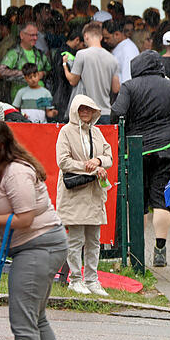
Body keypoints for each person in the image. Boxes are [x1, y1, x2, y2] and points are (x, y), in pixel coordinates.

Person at [0, 119, 68, 340]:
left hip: (38, 246)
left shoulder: (16, 172)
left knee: (23, 320)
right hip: (36, 246)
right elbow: (6, 213)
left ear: (0, 144)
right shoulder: (1, 169)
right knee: (36, 318)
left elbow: (24, 218)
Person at [111, 50, 170, 267]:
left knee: (139, 203)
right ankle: (160, 248)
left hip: (136, 152)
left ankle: (137, 249)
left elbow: (117, 113)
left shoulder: (129, 86)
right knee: (161, 201)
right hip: (165, 149)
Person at [55, 95, 112, 297]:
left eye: (89, 109)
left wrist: (97, 161)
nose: (85, 113)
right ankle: (75, 279)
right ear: (74, 110)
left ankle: (92, 279)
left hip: (94, 193)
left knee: (94, 240)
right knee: (76, 239)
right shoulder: (66, 132)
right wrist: (88, 168)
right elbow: (63, 162)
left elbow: (109, 157)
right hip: (75, 193)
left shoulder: (97, 133)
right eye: (82, 109)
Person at [63, 22, 120, 123]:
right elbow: (116, 89)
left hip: (86, 113)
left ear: (85, 36)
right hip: (105, 112)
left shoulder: (82, 54)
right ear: (101, 37)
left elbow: (73, 81)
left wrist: (65, 65)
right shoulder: (112, 59)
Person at [0, 22, 52, 102]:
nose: (35, 38)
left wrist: (43, 73)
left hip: (40, 99)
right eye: (32, 35)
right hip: (20, 99)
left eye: (36, 35)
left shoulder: (39, 54)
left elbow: (50, 70)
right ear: (22, 35)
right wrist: (25, 74)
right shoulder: (14, 54)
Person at [104, 19, 139, 84]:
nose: (105, 41)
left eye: (107, 38)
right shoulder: (121, 47)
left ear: (117, 35)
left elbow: (128, 79)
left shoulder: (128, 50)